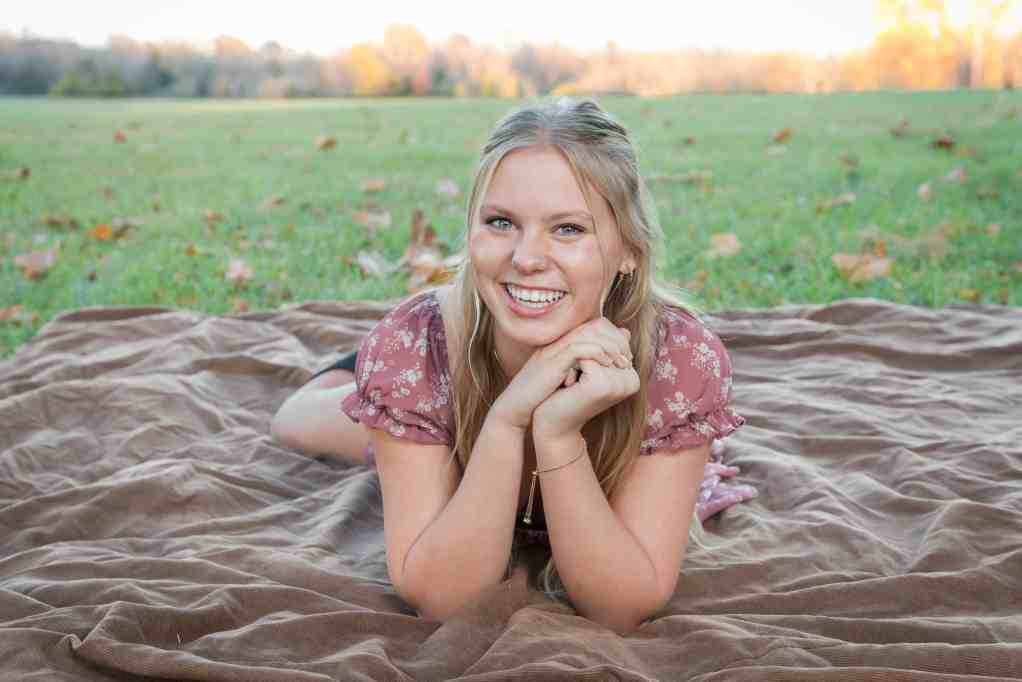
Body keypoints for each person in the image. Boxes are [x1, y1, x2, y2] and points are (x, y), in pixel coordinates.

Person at [270, 96, 756, 634]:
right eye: (501, 222)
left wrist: (556, 432)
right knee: (293, 422)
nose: (526, 257)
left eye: (568, 228)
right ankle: (359, 371)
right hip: (451, 392)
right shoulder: (416, 356)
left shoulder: (679, 362)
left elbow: (621, 605)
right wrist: (506, 418)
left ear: (629, 251)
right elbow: (441, 597)